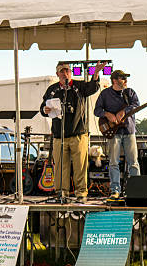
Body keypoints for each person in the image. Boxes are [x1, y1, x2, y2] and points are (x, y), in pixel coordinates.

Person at [40, 61, 106, 203]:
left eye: (67, 71)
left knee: (80, 165)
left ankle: (81, 193)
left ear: (70, 73)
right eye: (62, 71)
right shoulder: (52, 90)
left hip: (78, 133)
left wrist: (95, 73)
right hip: (59, 135)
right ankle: (61, 192)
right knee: (60, 166)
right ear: (57, 74)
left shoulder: (78, 86)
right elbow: (43, 107)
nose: (65, 74)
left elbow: (93, 87)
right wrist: (44, 110)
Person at [94, 69, 140, 199]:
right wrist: (107, 114)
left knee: (133, 162)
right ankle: (115, 190)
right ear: (114, 80)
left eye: (125, 78)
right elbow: (97, 110)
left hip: (129, 131)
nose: (125, 81)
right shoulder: (105, 94)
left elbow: (136, 104)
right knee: (113, 162)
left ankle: (136, 190)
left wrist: (124, 111)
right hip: (113, 132)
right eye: (122, 78)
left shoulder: (130, 92)